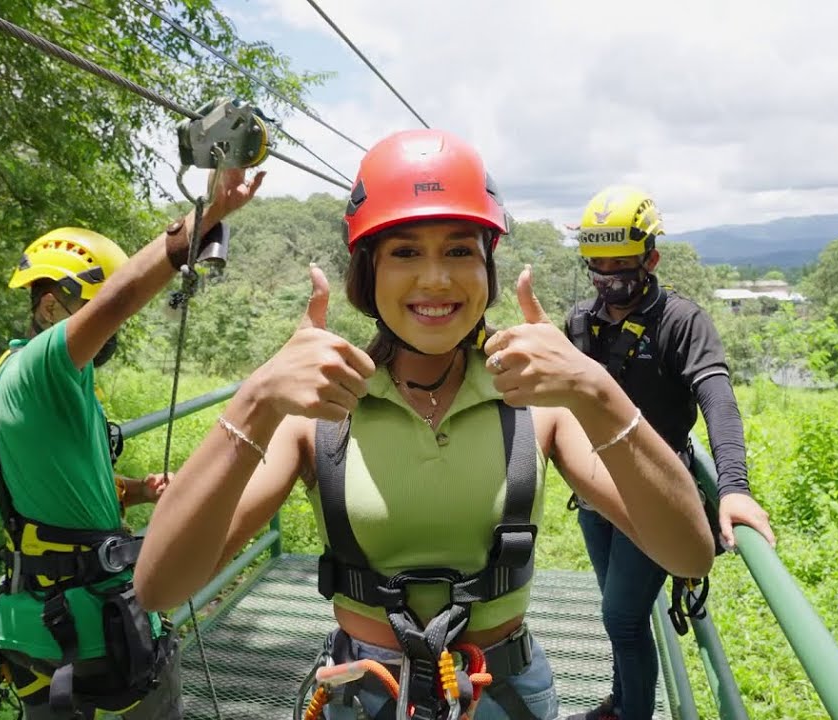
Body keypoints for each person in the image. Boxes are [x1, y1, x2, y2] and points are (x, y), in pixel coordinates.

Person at [133, 129, 716, 720]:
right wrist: (255, 401)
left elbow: (689, 553)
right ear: (368, 273)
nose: (435, 279)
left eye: (460, 251)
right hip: (365, 693)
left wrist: (597, 391)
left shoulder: (535, 401)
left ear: (487, 268)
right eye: (405, 253)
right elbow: (161, 587)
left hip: (502, 692)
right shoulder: (323, 408)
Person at [0, 166, 266, 719]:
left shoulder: (39, 383)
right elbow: (121, 297)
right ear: (51, 306)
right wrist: (208, 216)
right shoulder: (40, 369)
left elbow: (61, 491)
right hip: (91, 624)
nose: (109, 331)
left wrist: (138, 490)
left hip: (34, 620)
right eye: (88, 309)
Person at [562, 185, 776, 720]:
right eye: (597, 265)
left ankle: (631, 711)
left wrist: (734, 487)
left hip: (657, 491)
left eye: (621, 264)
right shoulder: (581, 322)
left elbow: (717, 400)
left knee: (623, 618)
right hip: (596, 492)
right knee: (618, 613)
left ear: (651, 259)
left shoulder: (681, 322)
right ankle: (622, 699)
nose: (608, 276)